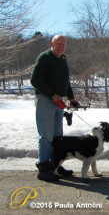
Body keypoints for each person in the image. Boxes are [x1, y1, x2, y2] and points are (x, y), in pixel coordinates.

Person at [31, 34, 79, 181]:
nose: (61, 47)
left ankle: (55, 165)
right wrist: (52, 95)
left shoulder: (63, 59)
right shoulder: (44, 57)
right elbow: (35, 80)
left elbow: (66, 81)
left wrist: (71, 97)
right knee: (46, 135)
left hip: (59, 102)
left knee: (58, 136)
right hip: (46, 100)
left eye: (63, 44)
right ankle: (44, 168)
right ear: (52, 43)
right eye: (58, 44)